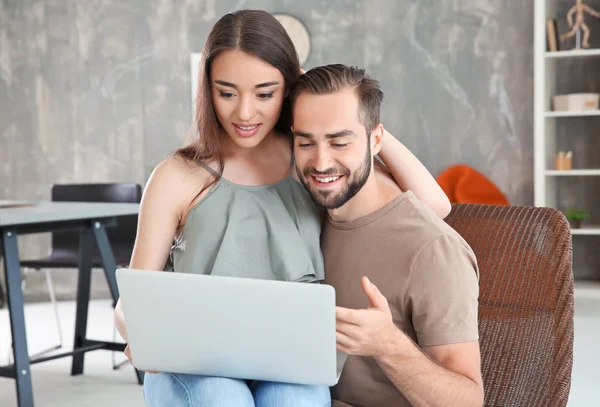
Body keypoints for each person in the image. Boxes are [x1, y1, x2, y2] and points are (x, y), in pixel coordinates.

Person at [114, 10, 451, 407]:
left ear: (288, 88)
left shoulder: (310, 161)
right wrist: (139, 333)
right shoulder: (178, 175)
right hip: (194, 364)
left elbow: (433, 206)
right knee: (224, 397)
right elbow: (132, 300)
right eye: (227, 93)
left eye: (264, 93)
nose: (244, 113)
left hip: (288, 360)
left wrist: (355, 115)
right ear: (206, 90)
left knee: (296, 400)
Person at [290, 64, 483, 407]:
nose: (320, 162)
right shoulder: (305, 216)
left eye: (340, 142)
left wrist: (387, 344)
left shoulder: (432, 249)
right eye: (306, 142)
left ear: (375, 140)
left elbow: (468, 400)